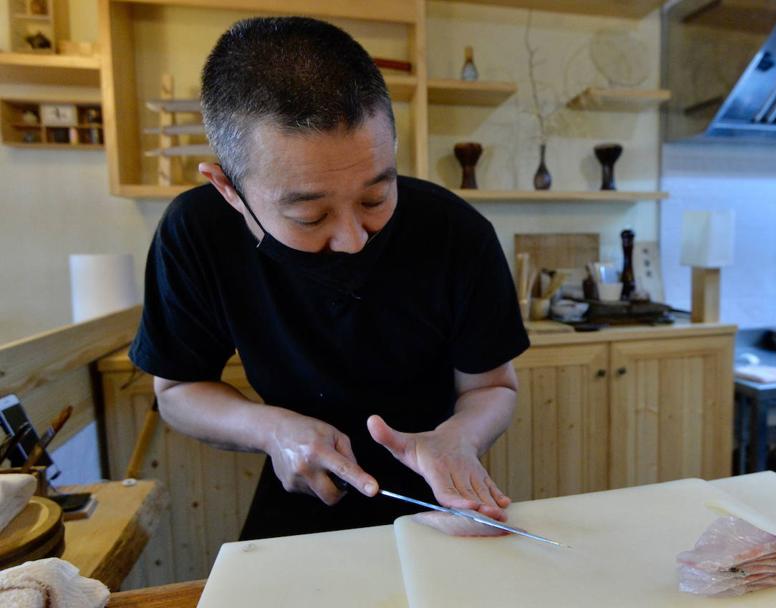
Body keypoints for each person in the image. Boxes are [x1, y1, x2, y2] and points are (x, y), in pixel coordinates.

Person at [129, 16, 529, 540]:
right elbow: (178, 388)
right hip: (300, 497)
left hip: (440, 494)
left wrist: (458, 437)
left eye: (375, 197)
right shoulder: (196, 232)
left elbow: (492, 385)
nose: (353, 239)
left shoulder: (455, 231)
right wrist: (271, 429)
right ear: (229, 190)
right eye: (310, 216)